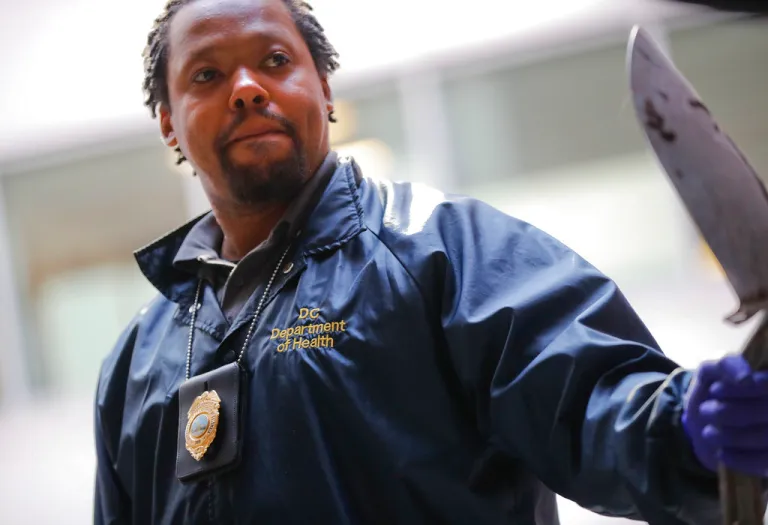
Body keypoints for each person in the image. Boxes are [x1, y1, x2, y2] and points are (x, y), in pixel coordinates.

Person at [93, 0, 768, 523]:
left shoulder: (445, 253)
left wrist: (679, 425)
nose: (245, 88)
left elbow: (588, 397)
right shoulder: (135, 364)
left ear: (324, 88)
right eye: (207, 74)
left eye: (274, 61)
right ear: (168, 122)